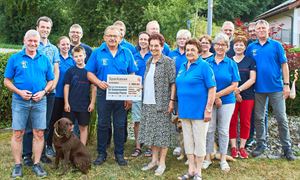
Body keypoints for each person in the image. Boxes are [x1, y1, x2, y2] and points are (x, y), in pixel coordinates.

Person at [4, 29, 54, 178]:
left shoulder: (44, 59)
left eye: (35, 41)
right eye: (30, 41)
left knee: (39, 133)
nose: (33, 43)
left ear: (39, 43)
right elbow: (6, 80)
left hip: (40, 101)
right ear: (24, 41)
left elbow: (51, 80)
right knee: (18, 133)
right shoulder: (15, 58)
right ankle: (18, 165)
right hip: (20, 101)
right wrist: (19, 92)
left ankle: (37, 164)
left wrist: (44, 91)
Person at [86, 25, 137, 166]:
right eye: (109, 36)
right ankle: (101, 153)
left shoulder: (127, 52)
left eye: (115, 36)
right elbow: (89, 73)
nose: (112, 38)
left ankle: (119, 154)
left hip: (122, 95)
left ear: (120, 38)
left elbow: (132, 74)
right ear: (104, 37)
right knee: (103, 124)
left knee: (120, 125)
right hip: (103, 93)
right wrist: (98, 82)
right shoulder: (97, 52)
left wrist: (130, 96)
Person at [246, 20, 296, 161]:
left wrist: (286, 84)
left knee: (281, 118)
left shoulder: (276, 46)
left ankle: (287, 148)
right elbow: (248, 66)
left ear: (268, 30)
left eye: (263, 28)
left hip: (276, 88)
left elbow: (284, 65)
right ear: (255, 31)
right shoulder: (251, 47)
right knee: (259, 118)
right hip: (258, 89)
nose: (261, 30)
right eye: (258, 28)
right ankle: (261, 144)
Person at [176, 38, 216, 180]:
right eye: (187, 50)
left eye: (193, 50)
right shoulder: (182, 66)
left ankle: (198, 171)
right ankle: (190, 170)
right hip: (185, 111)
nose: (189, 52)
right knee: (188, 141)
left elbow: (212, 89)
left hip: (199, 112)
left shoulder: (204, 66)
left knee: (199, 141)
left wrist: (208, 109)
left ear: (199, 51)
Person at [23, 16, 60, 165]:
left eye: (48, 28)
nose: (45, 30)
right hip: (31, 93)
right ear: (37, 28)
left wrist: (49, 88)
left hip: (49, 93)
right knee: (29, 126)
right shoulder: (30, 45)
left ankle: (42, 153)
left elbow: (56, 71)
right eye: (42, 27)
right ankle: (26, 155)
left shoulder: (53, 49)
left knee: (44, 125)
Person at [138, 33, 176, 176]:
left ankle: (162, 162)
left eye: (156, 46)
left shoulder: (168, 61)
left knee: (163, 133)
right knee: (152, 133)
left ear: (162, 46)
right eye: (151, 45)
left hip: (162, 103)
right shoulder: (148, 62)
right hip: (148, 103)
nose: (153, 48)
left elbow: (173, 83)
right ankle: (153, 160)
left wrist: (171, 101)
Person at [203, 33, 240, 172]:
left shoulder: (231, 63)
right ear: (214, 46)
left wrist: (217, 95)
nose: (220, 47)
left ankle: (223, 159)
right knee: (209, 130)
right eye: (217, 44)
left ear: (227, 47)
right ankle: (207, 158)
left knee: (224, 131)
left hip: (227, 101)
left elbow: (234, 85)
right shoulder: (207, 63)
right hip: (210, 102)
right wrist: (213, 98)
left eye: (223, 45)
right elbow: (203, 82)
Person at [229, 36, 256, 159]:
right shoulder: (229, 61)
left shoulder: (250, 61)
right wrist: (235, 92)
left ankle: (242, 147)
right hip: (231, 96)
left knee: (245, 121)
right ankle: (234, 147)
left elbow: (252, 79)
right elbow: (226, 79)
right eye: (236, 44)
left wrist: (239, 90)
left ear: (245, 47)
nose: (238, 47)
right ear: (232, 46)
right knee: (232, 121)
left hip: (248, 96)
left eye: (241, 45)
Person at [46, 36, 75, 150]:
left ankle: (64, 146)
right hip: (56, 95)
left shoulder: (73, 60)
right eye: (63, 44)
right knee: (53, 121)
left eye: (68, 44)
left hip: (69, 97)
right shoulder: (55, 58)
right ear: (58, 45)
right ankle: (48, 145)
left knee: (66, 123)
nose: (66, 46)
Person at [64, 46, 96, 145]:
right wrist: (66, 103)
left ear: (85, 56)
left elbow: (94, 87)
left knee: (83, 127)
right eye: (76, 56)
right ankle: (69, 148)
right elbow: (66, 87)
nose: (79, 58)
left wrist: (92, 103)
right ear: (73, 58)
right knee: (69, 127)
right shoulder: (70, 71)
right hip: (72, 104)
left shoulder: (89, 71)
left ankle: (81, 149)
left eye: (80, 56)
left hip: (84, 105)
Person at [169, 29, 191, 157]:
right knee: (176, 118)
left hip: (187, 92)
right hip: (174, 91)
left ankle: (189, 144)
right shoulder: (172, 54)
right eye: (180, 39)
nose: (182, 41)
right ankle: (179, 145)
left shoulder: (191, 53)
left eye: (184, 38)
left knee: (187, 118)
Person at [131, 31, 152, 157]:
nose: (143, 41)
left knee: (149, 119)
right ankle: (138, 147)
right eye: (141, 39)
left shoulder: (153, 55)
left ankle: (149, 146)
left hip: (150, 92)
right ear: (138, 41)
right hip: (136, 91)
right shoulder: (134, 56)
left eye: (145, 39)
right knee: (137, 119)